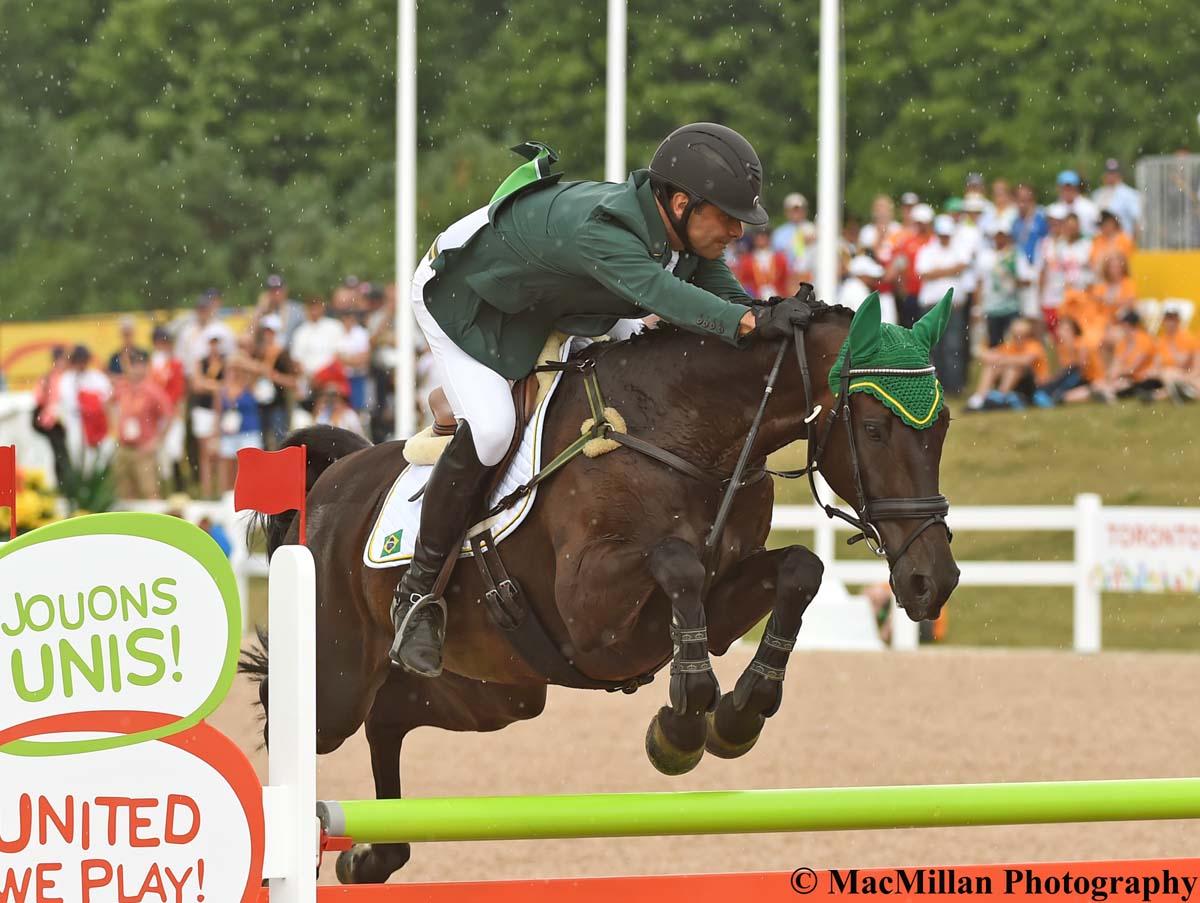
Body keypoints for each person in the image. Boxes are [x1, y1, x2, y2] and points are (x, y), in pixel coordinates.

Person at [388, 125, 813, 677]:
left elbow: (726, 299)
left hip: (552, 301)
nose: (738, 229)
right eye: (729, 216)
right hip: (468, 304)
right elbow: (662, 297)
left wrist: (777, 317)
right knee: (493, 429)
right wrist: (751, 320)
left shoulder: (679, 233)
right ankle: (417, 595)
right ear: (682, 204)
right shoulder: (604, 231)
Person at [915, 214, 969, 393]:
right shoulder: (927, 250)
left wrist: (938, 271)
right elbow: (924, 273)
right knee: (933, 348)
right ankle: (932, 386)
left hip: (953, 306)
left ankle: (953, 387)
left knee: (953, 347)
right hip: (931, 306)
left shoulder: (958, 248)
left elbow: (962, 266)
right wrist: (950, 270)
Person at [110, 351, 172, 500]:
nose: (136, 369)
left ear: (145, 367)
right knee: (124, 489)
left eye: (139, 365)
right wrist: (113, 428)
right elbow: (108, 403)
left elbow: (169, 415)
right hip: (124, 447)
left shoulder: (153, 391)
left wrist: (157, 441)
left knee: (149, 489)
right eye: (133, 365)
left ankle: (154, 522)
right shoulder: (123, 387)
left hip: (144, 449)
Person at [965, 317, 1049, 411]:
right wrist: (996, 358)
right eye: (1016, 335)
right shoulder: (1010, 346)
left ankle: (1001, 396)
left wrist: (1002, 360)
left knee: (1014, 367)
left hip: (1034, 386)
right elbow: (986, 355)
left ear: (1028, 335)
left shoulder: (1034, 346)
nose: (1019, 338)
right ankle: (980, 397)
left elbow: (1025, 361)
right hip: (1015, 383)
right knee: (993, 367)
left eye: (1022, 335)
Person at [249, 314, 298, 450]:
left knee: (279, 441)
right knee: (261, 442)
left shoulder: (282, 353)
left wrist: (274, 376)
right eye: (266, 331)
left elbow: (293, 381)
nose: (267, 335)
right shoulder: (258, 352)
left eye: (270, 331)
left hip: (277, 404)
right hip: (259, 403)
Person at [217, 358, 264, 493]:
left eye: (237, 370)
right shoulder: (222, 389)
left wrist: (242, 362)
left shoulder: (249, 386)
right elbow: (218, 413)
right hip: (229, 432)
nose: (234, 373)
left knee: (249, 466)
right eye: (231, 369)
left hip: (249, 431)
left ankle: (250, 494)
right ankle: (227, 495)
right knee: (227, 466)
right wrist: (215, 435)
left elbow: (261, 371)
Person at [189, 329, 226, 498]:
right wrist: (215, 386)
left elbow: (224, 386)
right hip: (203, 411)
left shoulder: (224, 362)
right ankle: (207, 491)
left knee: (218, 453)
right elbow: (197, 385)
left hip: (220, 411)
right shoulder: (201, 362)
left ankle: (219, 491)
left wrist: (207, 384)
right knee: (205, 454)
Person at [976, 227, 1026, 347]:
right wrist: (978, 306)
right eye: (997, 236)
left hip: (1011, 307)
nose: (999, 239)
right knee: (994, 343)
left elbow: (1026, 279)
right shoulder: (985, 256)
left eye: (1002, 236)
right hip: (991, 307)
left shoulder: (1015, 254)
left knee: (1013, 343)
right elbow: (980, 282)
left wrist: (1010, 278)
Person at [771, 192, 816, 290]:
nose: (796, 213)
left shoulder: (812, 229)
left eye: (799, 210)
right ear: (786, 212)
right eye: (793, 210)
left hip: (809, 277)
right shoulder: (779, 233)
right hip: (787, 279)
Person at [1092, 159, 1142, 237]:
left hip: (1122, 242)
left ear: (1120, 175)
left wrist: (1133, 243)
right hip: (1101, 242)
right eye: (1108, 173)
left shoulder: (1130, 194)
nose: (1111, 176)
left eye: (1113, 173)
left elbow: (1137, 220)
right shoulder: (1097, 194)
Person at [736, 227, 790, 299]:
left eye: (764, 237)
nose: (761, 240)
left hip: (779, 297)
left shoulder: (780, 258)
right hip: (756, 298)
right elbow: (744, 282)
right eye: (758, 237)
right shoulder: (746, 260)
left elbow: (787, 279)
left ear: (769, 238)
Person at [1055, 170, 1099, 236]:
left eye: (1070, 188)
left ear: (1077, 188)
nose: (1068, 191)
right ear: (1059, 189)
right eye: (1065, 188)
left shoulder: (1090, 208)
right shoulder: (1053, 210)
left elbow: (1098, 230)